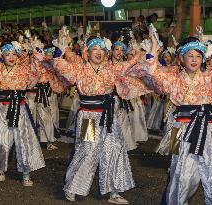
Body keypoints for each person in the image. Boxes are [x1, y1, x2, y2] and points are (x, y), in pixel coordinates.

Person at [127, 26, 212, 204]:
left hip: (208, 129)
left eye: (198, 56)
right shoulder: (173, 78)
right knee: (181, 174)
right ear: (181, 59)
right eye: (190, 56)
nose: (194, 60)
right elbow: (153, 73)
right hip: (181, 129)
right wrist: (152, 50)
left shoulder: (211, 75)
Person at [38, 30, 150, 204]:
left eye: (102, 49)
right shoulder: (79, 69)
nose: (98, 52)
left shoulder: (112, 69)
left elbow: (131, 65)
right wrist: (61, 50)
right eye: (94, 49)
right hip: (88, 117)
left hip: (108, 116)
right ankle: (72, 187)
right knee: (87, 151)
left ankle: (113, 192)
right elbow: (61, 67)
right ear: (87, 52)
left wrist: (146, 53)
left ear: (106, 53)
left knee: (114, 149)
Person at [0, 41, 46, 186]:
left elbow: (35, 76)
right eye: (7, 54)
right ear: (2, 56)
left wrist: (36, 58)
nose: (10, 57)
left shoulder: (24, 69)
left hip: (20, 108)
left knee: (24, 142)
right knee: (2, 142)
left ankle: (26, 173)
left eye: (13, 54)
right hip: (2, 109)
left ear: (17, 55)